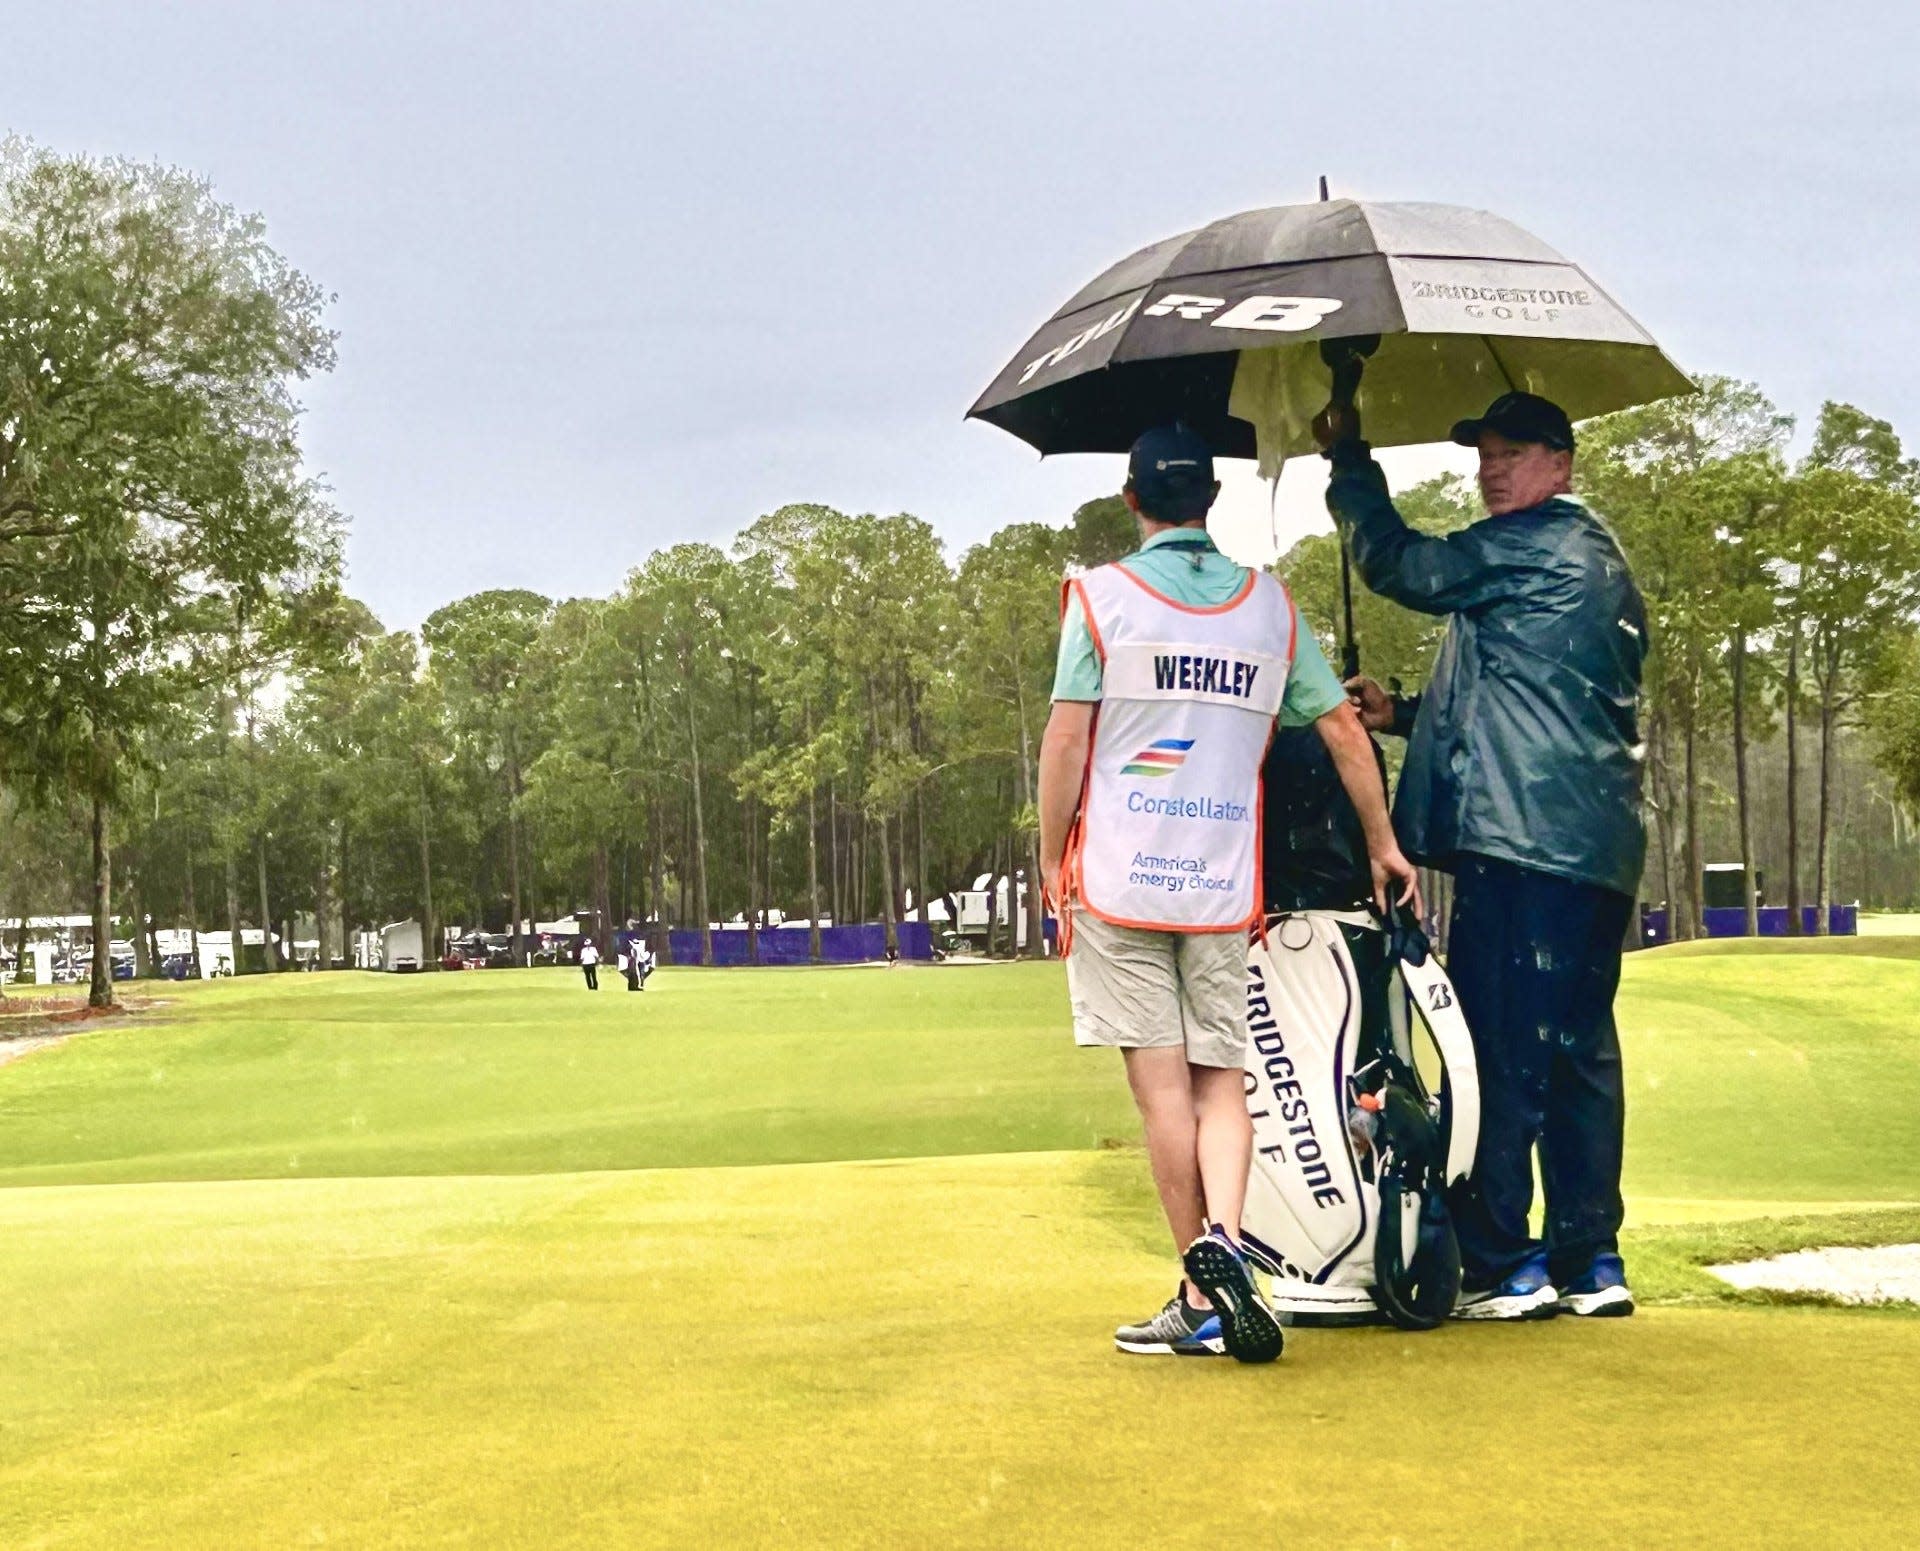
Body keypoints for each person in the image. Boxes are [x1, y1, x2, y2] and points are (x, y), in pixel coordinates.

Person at [1038, 423, 1420, 1362]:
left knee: (1161, 1090)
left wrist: (1052, 860)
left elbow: (1065, 743)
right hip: (1220, 883)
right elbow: (1340, 729)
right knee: (1221, 1086)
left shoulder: (1101, 598)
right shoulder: (1271, 608)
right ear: (1211, 500)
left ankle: (1200, 1283)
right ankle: (1225, 1250)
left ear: (1133, 500)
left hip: (1123, 880)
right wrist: (1384, 842)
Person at [1316, 390, 1647, 1321]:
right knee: (1579, 1052)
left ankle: (1506, 1260)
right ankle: (1592, 1260)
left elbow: (1402, 565)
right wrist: (1406, 714)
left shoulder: (1531, 543)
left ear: (1562, 464)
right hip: (1593, 845)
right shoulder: (1596, 559)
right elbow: (1529, 696)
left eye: (1513, 452)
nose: (1491, 469)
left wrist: (1349, 462)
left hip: (1524, 840)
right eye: (1485, 455)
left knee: (1499, 1048)